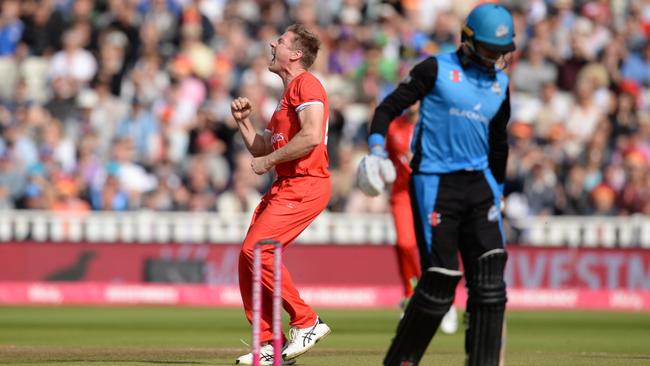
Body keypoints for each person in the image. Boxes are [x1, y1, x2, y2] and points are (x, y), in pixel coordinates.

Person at [358, 4, 515, 366]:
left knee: (491, 284)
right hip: (435, 182)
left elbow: (499, 144)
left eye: (501, 52)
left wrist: (499, 189)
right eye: (490, 49)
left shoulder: (500, 84)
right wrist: (377, 150)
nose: (495, 59)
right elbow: (387, 108)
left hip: (480, 186)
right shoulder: (436, 69)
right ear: (469, 41)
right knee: (440, 282)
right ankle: (401, 361)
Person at [230, 24, 331, 365]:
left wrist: (269, 160)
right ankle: (268, 342)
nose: (273, 43)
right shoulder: (287, 96)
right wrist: (244, 123)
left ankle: (306, 321)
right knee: (248, 261)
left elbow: (312, 136)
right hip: (286, 186)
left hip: (305, 183)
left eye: (282, 41)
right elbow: (263, 146)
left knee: (257, 251)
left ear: (296, 54)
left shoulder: (307, 84)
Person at [385, 103, 459, 335]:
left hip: (430, 190)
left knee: (435, 245)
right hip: (403, 194)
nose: (412, 102)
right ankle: (412, 295)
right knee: (405, 244)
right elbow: (387, 158)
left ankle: (442, 297)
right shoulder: (393, 127)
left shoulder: (435, 123)